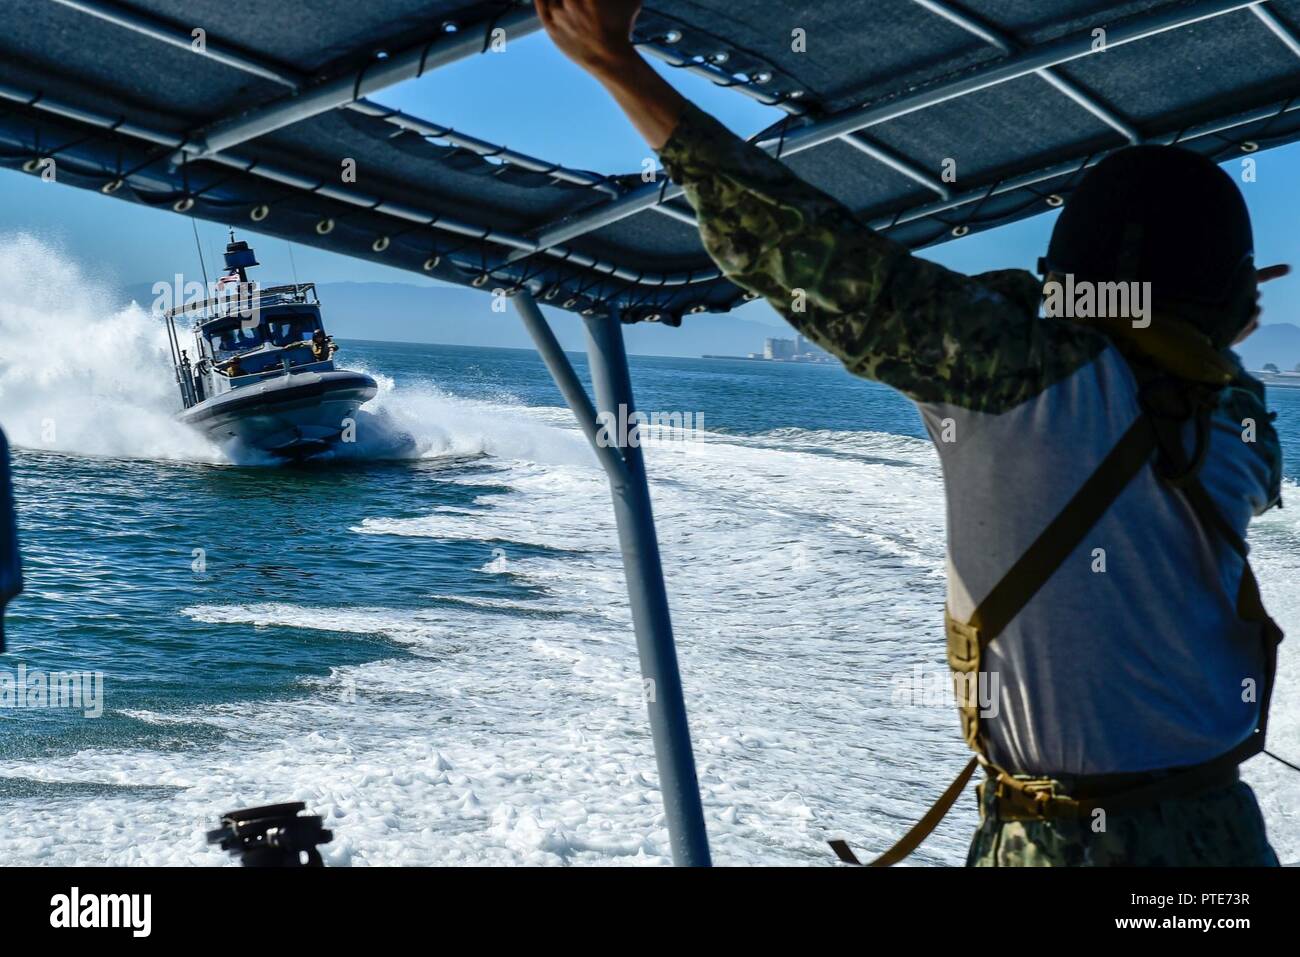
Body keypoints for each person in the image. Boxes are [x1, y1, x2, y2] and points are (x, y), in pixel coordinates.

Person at [535, 0, 1290, 866]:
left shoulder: (1025, 373)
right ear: (1227, 304)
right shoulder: (1236, 420)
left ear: (1070, 276)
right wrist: (1206, 331)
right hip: (1223, 839)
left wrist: (617, 66)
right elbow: (1197, 375)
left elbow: (813, 255)